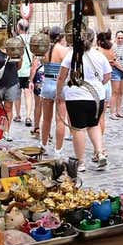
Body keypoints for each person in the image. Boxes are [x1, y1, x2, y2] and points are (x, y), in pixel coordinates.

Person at [56, 28, 112, 172]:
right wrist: (97, 84)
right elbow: (107, 76)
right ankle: (99, 152)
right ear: (93, 40)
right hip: (97, 97)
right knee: (94, 125)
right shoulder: (99, 56)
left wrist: (58, 93)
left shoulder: (71, 55)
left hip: (76, 96)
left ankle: (81, 162)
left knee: (78, 129)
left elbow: (61, 76)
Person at [38, 26, 69, 156]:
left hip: (47, 84)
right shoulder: (64, 50)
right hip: (59, 84)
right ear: (61, 37)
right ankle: (58, 150)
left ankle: (43, 145)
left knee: (46, 119)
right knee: (60, 120)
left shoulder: (45, 49)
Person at [0, 40, 21, 141]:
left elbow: (19, 67)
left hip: (11, 82)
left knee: (8, 107)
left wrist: (20, 56)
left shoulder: (16, 49)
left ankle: (6, 131)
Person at [14, 19, 34, 127]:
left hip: (17, 70)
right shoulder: (32, 40)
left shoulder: (15, 40)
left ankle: (18, 115)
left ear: (18, 28)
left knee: (17, 94)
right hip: (29, 71)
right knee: (28, 94)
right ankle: (28, 116)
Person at [96, 32, 114, 153]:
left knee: (96, 118)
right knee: (102, 117)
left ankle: (99, 146)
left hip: (100, 83)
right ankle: (100, 143)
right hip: (108, 84)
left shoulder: (98, 51)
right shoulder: (110, 50)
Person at [110, 30, 123, 119]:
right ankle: (112, 113)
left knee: (121, 92)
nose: (120, 39)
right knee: (115, 92)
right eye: (119, 38)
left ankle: (118, 111)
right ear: (115, 38)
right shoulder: (113, 47)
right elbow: (114, 61)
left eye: (122, 38)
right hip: (116, 70)